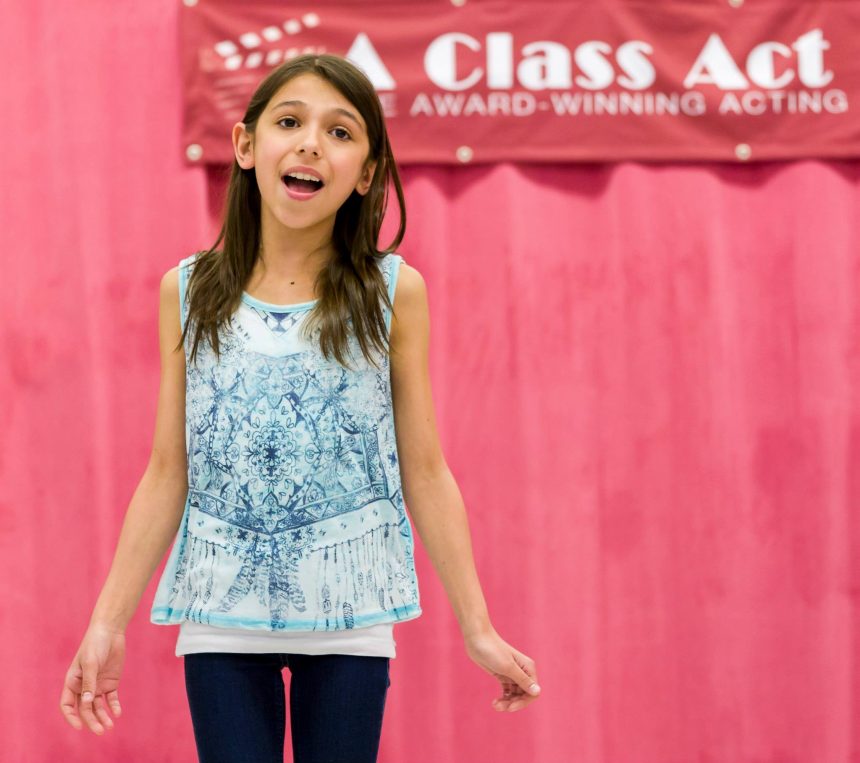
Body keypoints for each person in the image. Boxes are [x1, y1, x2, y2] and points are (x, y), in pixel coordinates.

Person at [59, 53, 541, 762]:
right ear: (246, 145)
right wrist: (108, 620)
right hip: (221, 617)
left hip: (351, 617)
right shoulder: (188, 292)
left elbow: (426, 470)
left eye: (340, 132)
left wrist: (478, 627)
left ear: (366, 174)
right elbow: (168, 471)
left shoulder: (392, 293)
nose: (312, 143)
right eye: (290, 122)